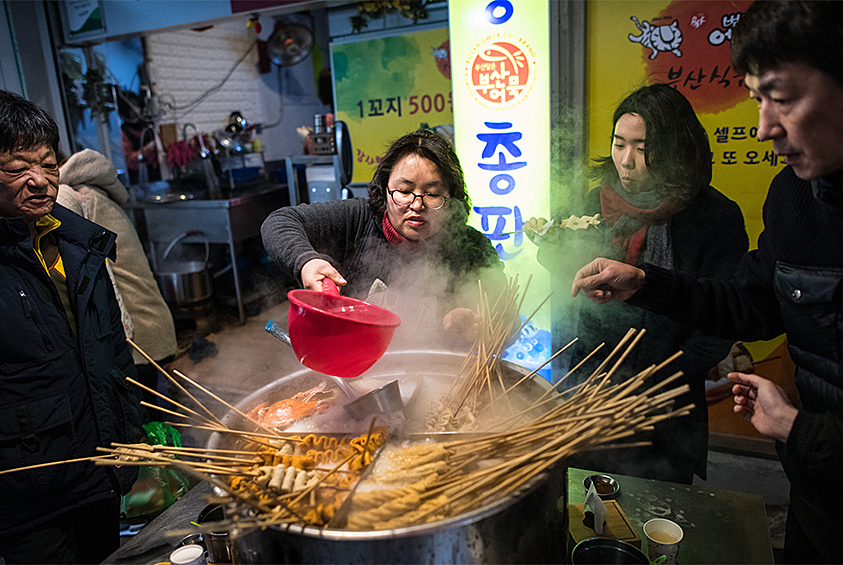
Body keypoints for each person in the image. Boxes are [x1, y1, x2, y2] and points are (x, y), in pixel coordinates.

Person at [570, 1, 843, 561]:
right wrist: (642, 281)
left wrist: (796, 427)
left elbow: (723, 321)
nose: (765, 128)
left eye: (783, 99)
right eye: (758, 101)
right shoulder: (795, 199)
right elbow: (747, 300)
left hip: (683, 399)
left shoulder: (713, 214)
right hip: (816, 488)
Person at [525, 84, 749, 484]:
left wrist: (667, 379)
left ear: (676, 149)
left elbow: (723, 316)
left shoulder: (715, 218)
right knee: (583, 502)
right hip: (589, 384)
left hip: (665, 397)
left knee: (654, 509)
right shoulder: (592, 203)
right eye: (619, 144)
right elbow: (564, 261)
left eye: (643, 149)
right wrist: (552, 249)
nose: (626, 162)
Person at [0, 90, 147, 563]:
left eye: (48, 164)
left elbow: (109, 349)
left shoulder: (75, 241)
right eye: (17, 169)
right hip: (26, 485)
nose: (39, 181)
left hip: (95, 462)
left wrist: (129, 429)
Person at [261, 128, 512, 347]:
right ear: (385, 188)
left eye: (433, 194)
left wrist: (481, 327)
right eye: (404, 190)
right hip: (356, 369)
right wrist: (307, 261)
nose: (416, 204)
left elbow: (509, 321)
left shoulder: (472, 248)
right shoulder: (358, 219)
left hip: (445, 380)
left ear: (451, 199)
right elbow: (280, 222)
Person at [57, 148, 178, 404]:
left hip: (137, 334)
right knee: (155, 414)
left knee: (144, 424)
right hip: (152, 321)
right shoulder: (93, 188)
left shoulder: (69, 196)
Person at [118, 90, 160, 185]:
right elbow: (128, 160)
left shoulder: (149, 126)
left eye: (137, 105)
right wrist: (145, 150)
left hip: (156, 174)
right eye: (132, 107)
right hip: (139, 179)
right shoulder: (124, 132)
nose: (136, 109)